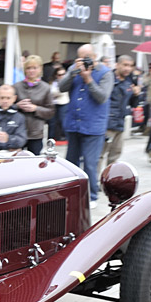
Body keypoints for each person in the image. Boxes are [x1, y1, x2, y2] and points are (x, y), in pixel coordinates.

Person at [59, 44, 113, 205]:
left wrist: (88, 79)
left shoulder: (106, 73)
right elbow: (62, 87)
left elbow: (102, 97)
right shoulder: (73, 69)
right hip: (74, 123)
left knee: (90, 163)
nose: (84, 60)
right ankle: (71, 194)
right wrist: (72, 73)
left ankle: (91, 196)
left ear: (95, 56)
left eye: (87, 57)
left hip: (93, 125)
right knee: (71, 162)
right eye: (81, 57)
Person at [13, 54, 55, 155]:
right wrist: (17, 106)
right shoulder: (16, 87)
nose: (31, 71)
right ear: (25, 69)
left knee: (34, 162)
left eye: (34, 68)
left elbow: (51, 112)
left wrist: (35, 108)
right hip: (17, 132)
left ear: (40, 69)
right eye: (28, 68)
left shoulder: (45, 88)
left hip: (36, 133)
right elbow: (7, 108)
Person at [101, 54, 138, 167]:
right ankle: (94, 182)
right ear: (117, 65)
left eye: (130, 66)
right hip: (107, 123)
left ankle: (109, 181)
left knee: (115, 155)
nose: (128, 68)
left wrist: (136, 94)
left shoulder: (129, 81)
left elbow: (133, 104)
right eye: (125, 65)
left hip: (120, 124)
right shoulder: (108, 78)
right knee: (100, 154)